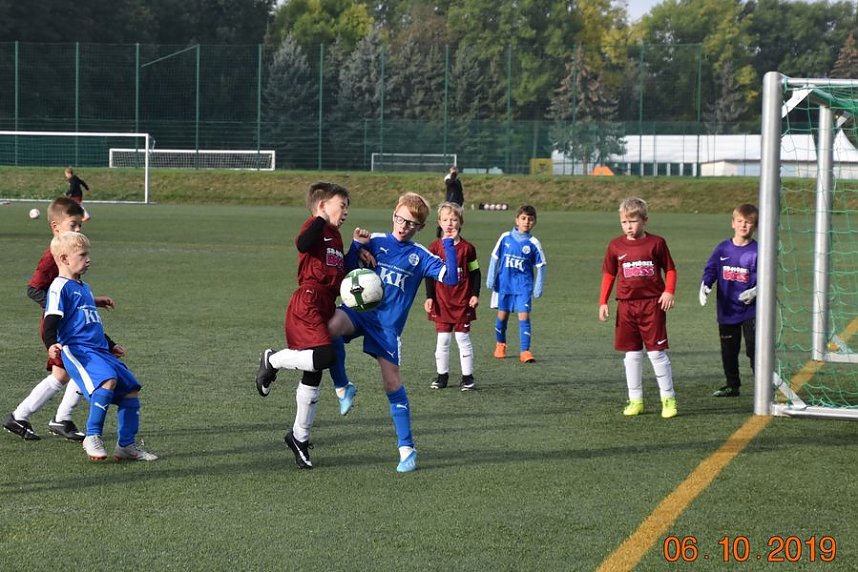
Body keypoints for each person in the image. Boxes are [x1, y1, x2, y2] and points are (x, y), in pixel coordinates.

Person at [327, 192, 459, 473]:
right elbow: (348, 272)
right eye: (400, 219)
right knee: (329, 329)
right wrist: (356, 246)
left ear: (420, 227)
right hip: (359, 312)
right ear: (393, 216)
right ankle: (343, 386)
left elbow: (451, 277)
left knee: (391, 383)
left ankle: (407, 449)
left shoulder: (420, 255)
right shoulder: (375, 241)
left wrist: (448, 241)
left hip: (387, 327)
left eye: (411, 224)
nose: (403, 226)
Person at [254, 182, 367, 469]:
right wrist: (319, 219)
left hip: (326, 303)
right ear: (322, 206)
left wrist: (357, 249)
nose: (346, 212)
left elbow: (340, 273)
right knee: (326, 357)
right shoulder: (315, 227)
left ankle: (299, 437)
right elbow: (303, 243)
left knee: (313, 372)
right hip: (308, 301)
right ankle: (273, 360)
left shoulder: (336, 236)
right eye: (342, 206)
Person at [4, 197, 113, 442]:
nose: (78, 229)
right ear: (56, 227)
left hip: (73, 324)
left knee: (68, 373)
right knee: (69, 372)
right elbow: (34, 289)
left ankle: (47, 418)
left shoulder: (71, 253)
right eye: (73, 225)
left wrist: (93, 300)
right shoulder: (53, 256)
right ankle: (29, 416)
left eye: (80, 225)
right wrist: (59, 308)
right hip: (60, 325)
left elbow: (71, 291)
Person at [43, 231, 156, 461]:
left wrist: (111, 344)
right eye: (82, 255)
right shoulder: (59, 287)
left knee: (130, 389)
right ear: (64, 258)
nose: (88, 259)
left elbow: (90, 323)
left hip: (100, 350)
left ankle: (126, 446)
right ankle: (92, 436)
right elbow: (50, 319)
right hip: (78, 350)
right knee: (107, 380)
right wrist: (51, 343)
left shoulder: (84, 287)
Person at [598, 197, 678, 419]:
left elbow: (670, 269)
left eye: (633, 221)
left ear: (644, 220)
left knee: (656, 354)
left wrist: (669, 291)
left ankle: (668, 399)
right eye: (624, 222)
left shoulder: (657, 243)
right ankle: (635, 400)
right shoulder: (615, 246)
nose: (628, 226)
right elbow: (609, 274)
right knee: (631, 355)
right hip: (626, 306)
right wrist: (603, 301)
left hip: (652, 304)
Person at [699, 203, 759, 397]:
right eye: (740, 221)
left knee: (755, 349)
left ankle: (762, 386)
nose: (743, 225)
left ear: (755, 226)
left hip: (751, 310)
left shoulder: (758, 251)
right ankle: (732, 385)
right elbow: (711, 269)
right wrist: (706, 284)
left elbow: (767, 277)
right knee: (729, 350)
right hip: (727, 309)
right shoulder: (723, 248)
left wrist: (756, 291)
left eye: (748, 222)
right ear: (733, 223)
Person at [424, 202, 481, 391]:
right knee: (443, 340)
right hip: (442, 302)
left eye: (454, 219)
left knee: (463, 339)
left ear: (460, 222)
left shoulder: (468, 249)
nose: (450, 223)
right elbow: (429, 275)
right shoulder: (434, 248)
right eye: (445, 219)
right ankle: (442, 376)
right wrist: (429, 297)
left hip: (463, 301)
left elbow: (475, 272)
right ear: (439, 222)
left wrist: (475, 294)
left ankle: (467, 377)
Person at [486, 204, 546, 363]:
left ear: (534, 222)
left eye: (530, 219)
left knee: (524, 316)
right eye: (523, 218)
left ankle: (525, 351)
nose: (526, 222)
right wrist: (491, 277)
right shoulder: (505, 237)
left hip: (523, 286)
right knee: (502, 315)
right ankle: (500, 344)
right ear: (517, 220)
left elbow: (541, 265)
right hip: (505, 284)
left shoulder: (533, 243)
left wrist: (538, 286)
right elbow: (494, 257)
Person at [437, 166, 464, 237]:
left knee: (457, 218)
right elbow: (450, 183)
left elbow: (460, 191)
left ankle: (456, 233)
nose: (456, 172)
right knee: (447, 217)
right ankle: (440, 230)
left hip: (457, 202)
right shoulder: (448, 178)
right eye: (454, 170)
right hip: (450, 202)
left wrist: (461, 201)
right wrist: (453, 175)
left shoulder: (458, 180)